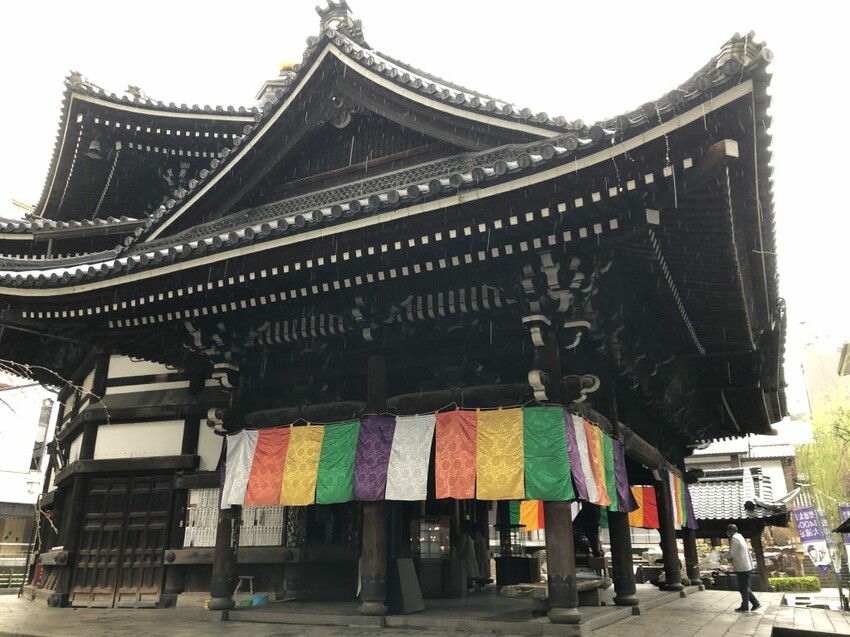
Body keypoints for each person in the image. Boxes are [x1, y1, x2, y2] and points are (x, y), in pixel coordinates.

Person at [727, 524, 761, 613]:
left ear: (730, 531)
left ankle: (745, 606)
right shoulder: (740, 537)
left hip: (742, 567)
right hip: (746, 566)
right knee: (745, 586)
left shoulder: (734, 539)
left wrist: (720, 556)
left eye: (728, 531)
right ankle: (755, 603)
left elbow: (731, 553)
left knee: (743, 587)